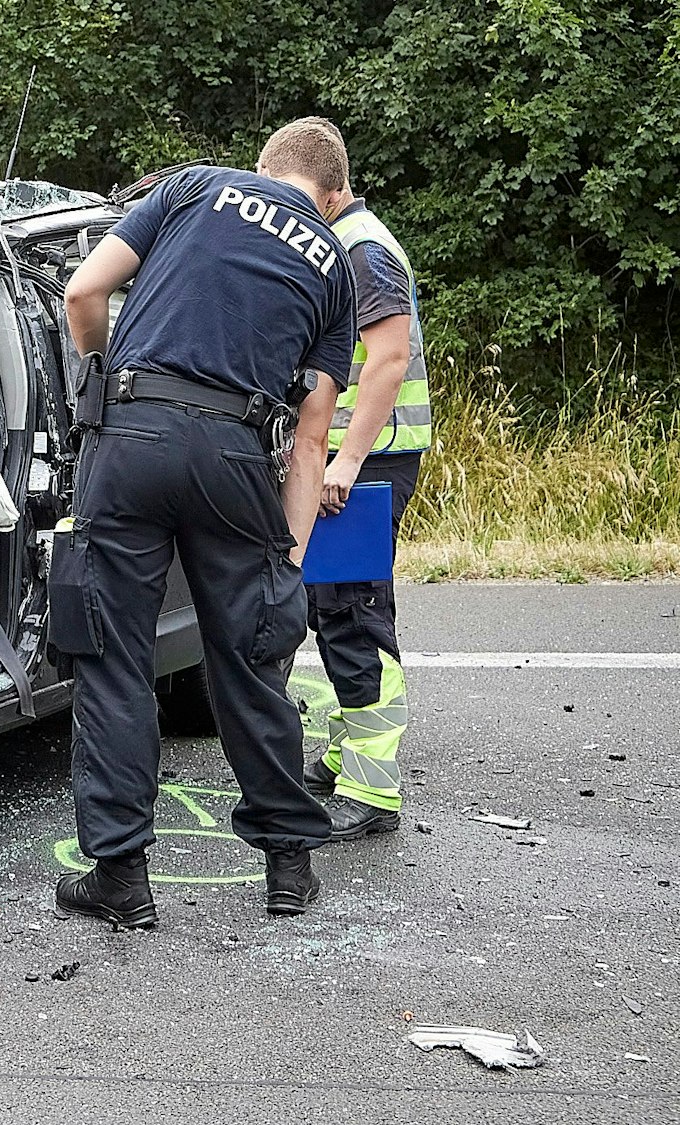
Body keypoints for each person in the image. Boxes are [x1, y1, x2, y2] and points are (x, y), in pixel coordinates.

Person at [50, 120, 357, 926]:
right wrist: (283, 562)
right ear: (330, 194)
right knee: (248, 658)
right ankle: (289, 866)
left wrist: (102, 374)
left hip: (130, 441)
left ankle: (120, 877)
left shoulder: (191, 186)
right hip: (234, 454)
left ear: (263, 165)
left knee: (115, 655)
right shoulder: (333, 263)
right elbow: (313, 434)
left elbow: (84, 291)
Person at [291, 118, 433, 840]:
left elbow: (386, 360)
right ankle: (350, 753)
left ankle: (373, 790)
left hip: (370, 461)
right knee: (333, 605)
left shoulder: (364, 249)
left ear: (332, 189)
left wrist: (343, 463)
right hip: (360, 457)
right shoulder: (347, 242)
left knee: (352, 610)